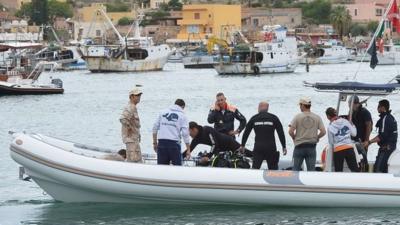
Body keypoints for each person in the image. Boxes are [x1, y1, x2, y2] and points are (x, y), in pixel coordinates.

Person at [241, 101, 286, 170]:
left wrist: (243, 145)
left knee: (255, 168)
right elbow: (281, 133)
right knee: (273, 169)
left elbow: (246, 132)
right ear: (267, 108)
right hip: (271, 147)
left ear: (259, 107)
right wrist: (284, 146)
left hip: (258, 147)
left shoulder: (254, 118)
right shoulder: (274, 118)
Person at [289, 97, 326, 171]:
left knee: (296, 169)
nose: (300, 107)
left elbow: (290, 131)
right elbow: (323, 132)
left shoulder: (297, 117)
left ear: (303, 105)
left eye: (300, 105)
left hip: (299, 146)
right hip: (311, 147)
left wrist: (294, 137)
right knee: (311, 170)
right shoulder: (317, 117)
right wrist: (317, 137)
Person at [153, 99, 191, 165]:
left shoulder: (162, 112)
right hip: (174, 144)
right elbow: (185, 134)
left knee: (161, 168)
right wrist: (188, 149)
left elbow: (154, 128)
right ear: (182, 107)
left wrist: (155, 143)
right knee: (177, 168)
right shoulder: (183, 116)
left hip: (161, 142)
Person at [364, 100, 398, 173]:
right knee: (385, 171)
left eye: (378, 106)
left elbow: (382, 136)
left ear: (383, 108)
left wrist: (369, 142)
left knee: (378, 170)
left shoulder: (385, 118)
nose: (377, 108)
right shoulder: (390, 117)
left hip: (386, 150)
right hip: (390, 149)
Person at [325, 107, 360, 172]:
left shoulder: (330, 127)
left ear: (328, 116)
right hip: (349, 148)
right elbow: (354, 134)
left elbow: (331, 142)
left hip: (338, 150)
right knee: (355, 169)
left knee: (338, 171)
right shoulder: (346, 121)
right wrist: (353, 125)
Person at [120, 85, 142, 162]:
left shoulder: (133, 107)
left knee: (137, 160)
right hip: (131, 139)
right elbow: (123, 119)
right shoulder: (131, 107)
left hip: (134, 139)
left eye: (139, 95)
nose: (139, 97)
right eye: (137, 95)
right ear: (131, 97)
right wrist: (129, 128)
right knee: (133, 160)